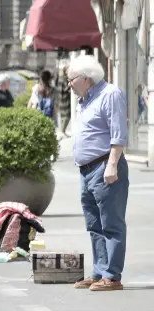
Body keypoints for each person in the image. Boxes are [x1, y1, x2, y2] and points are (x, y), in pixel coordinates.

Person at [68, 54, 128, 292]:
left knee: (111, 223)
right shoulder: (85, 100)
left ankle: (112, 276)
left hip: (105, 166)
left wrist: (112, 164)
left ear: (85, 79)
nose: (69, 85)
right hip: (86, 170)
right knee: (94, 224)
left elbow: (118, 134)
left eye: (71, 80)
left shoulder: (110, 95)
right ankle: (100, 270)